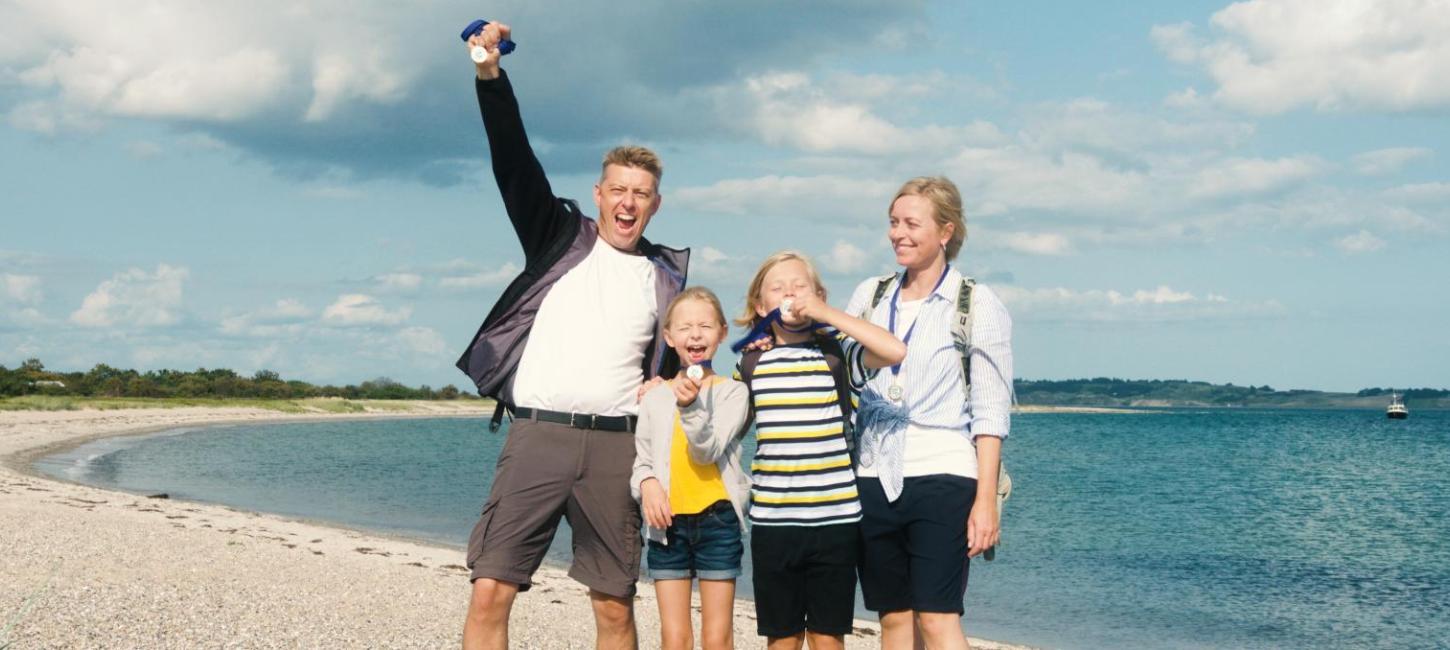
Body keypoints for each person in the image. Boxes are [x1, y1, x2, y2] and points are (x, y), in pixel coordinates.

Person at [454, 22, 689, 650]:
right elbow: (514, 161)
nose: (628, 202)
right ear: (599, 194)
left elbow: (680, 361)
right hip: (539, 435)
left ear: (655, 204)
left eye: (641, 194)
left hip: (617, 450)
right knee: (491, 590)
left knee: (614, 606)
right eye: (618, 190)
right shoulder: (559, 237)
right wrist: (489, 73)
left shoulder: (664, 279)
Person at [847, 177, 1013, 650]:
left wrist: (985, 503)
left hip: (943, 474)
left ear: (946, 231)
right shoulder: (870, 295)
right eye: (893, 222)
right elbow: (843, 372)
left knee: (938, 618)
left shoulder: (976, 303)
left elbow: (990, 415)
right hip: (873, 470)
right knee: (894, 619)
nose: (898, 233)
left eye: (911, 223)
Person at [733, 251, 906, 650]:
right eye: (777, 288)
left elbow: (895, 351)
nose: (790, 293)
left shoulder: (837, 354)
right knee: (782, 637)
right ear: (761, 306)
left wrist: (830, 315)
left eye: (800, 286)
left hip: (836, 520)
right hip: (774, 521)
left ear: (820, 295)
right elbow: (727, 428)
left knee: (828, 636)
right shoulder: (751, 363)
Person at [631, 287, 752, 650]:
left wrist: (691, 405)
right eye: (684, 327)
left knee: (717, 638)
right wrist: (647, 482)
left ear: (722, 333)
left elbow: (707, 450)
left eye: (705, 325)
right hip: (666, 526)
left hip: (718, 519)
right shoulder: (654, 396)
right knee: (674, 637)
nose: (695, 334)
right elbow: (642, 460)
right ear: (669, 338)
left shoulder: (734, 393)